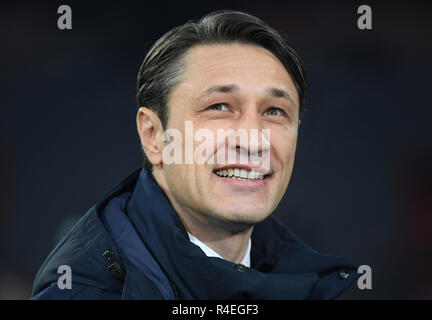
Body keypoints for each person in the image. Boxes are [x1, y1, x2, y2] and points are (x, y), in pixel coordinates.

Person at [31, 10, 360, 300]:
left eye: (274, 111)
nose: (254, 140)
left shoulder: (318, 286)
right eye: (218, 107)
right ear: (154, 136)